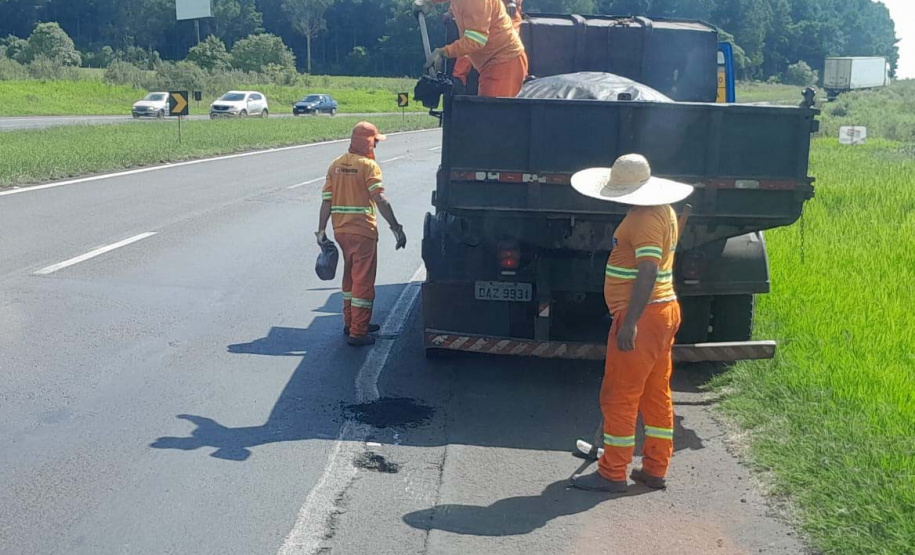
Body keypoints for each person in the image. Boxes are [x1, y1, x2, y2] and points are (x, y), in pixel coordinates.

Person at [567, 154, 695, 493]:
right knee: (655, 393)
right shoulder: (664, 210)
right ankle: (655, 467)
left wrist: (631, 322)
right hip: (663, 311)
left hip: (643, 315)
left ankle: (612, 472)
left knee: (620, 395)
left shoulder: (644, 220)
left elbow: (649, 270)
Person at [316, 122, 408, 347]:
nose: (376, 144)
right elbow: (380, 199)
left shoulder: (336, 165)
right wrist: (396, 227)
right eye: (375, 140)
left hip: (341, 232)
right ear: (367, 142)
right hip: (363, 232)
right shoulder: (368, 166)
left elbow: (327, 201)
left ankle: (351, 322)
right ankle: (359, 332)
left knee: (349, 279)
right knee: (363, 282)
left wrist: (321, 231)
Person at [414, 0, 528, 98]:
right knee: (486, 116)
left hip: (504, 62)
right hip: (493, 62)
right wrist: (429, 2)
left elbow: (476, 40)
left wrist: (443, 52)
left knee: (491, 118)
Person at [452, 0, 524, 90]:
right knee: (470, 40)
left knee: (506, 47)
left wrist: (512, 2)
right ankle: (458, 77)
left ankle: (458, 77)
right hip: (492, 11)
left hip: (507, 13)